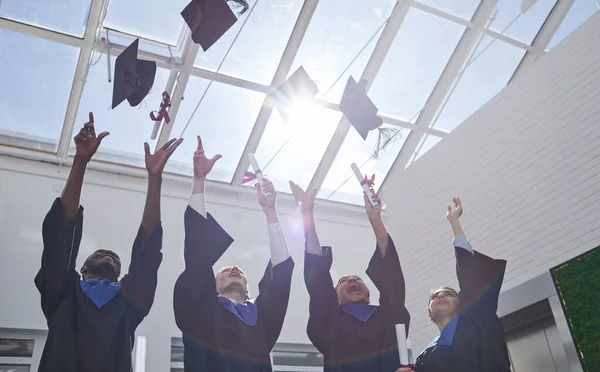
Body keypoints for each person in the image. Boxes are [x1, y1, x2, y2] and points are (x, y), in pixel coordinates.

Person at [35, 112, 182, 372]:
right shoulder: (63, 293)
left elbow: (146, 256)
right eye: (101, 253)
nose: (108, 254)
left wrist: (155, 179)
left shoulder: (128, 302)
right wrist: (80, 160)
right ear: (82, 269)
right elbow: (60, 240)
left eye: (114, 256)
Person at [173, 136, 294, 371]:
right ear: (212, 287)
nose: (235, 269)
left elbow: (281, 275)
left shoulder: (261, 320)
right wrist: (199, 180)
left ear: (249, 291)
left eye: (238, 272)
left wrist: (271, 211)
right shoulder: (201, 310)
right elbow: (197, 255)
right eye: (226, 272)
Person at [289, 181, 410, 372]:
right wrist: (307, 216)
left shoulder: (387, 316)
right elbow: (318, 283)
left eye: (356, 278)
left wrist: (375, 220)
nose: (352, 280)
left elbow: (392, 276)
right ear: (335, 298)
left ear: (369, 293)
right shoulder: (331, 322)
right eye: (343, 281)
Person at [398, 197, 510, 372]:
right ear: (429, 314)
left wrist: (454, 223)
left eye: (448, 294)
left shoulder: (478, 320)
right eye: (435, 296)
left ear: (461, 304)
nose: (441, 296)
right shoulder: (424, 359)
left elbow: (469, 275)